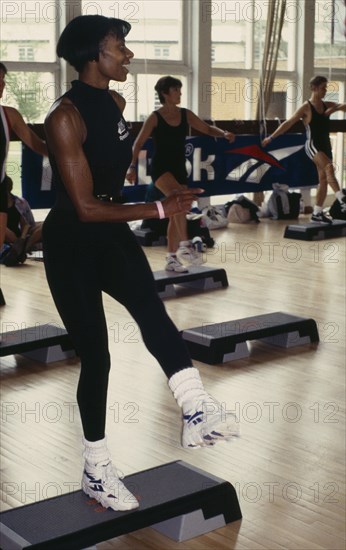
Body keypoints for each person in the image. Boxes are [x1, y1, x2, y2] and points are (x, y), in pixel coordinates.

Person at [43, 15, 239, 513]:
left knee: (153, 311)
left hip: (111, 232)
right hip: (73, 244)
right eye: (119, 46)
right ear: (94, 55)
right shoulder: (64, 117)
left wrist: (157, 198)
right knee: (99, 356)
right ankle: (96, 467)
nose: (128, 54)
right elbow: (84, 205)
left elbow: (111, 180)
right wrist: (158, 209)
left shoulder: (115, 102)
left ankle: (195, 407)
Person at [126, 76, 235, 272]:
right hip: (160, 169)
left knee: (178, 209)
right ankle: (185, 246)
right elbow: (138, 143)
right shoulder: (155, 117)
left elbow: (207, 128)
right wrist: (132, 167)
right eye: (176, 90)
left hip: (178, 168)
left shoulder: (186, 114)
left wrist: (223, 133)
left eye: (180, 90)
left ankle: (171, 258)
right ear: (165, 94)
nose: (180, 93)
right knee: (178, 198)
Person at [261, 75, 346, 224]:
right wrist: (271, 138)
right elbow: (288, 123)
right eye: (322, 88)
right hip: (313, 145)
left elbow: (343, 106)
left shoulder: (327, 105)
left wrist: (333, 109)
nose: (325, 90)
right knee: (329, 167)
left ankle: (317, 213)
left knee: (323, 179)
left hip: (325, 145)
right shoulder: (306, 107)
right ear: (314, 88)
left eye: (326, 88)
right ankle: (342, 200)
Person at [0, 62, 47, 252]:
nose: (1, 84)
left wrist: (70, 149)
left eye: (2, 80)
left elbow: (38, 145)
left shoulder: (9, 114)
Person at [1, 174, 43, 265]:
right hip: (5, 238)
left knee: (45, 225)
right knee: (2, 227)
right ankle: (18, 248)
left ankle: (23, 247)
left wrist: (25, 236)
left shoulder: (20, 202)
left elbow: (27, 224)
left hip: (21, 237)